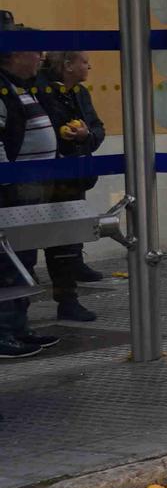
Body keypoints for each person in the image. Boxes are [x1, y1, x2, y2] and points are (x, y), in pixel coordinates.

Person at [0, 43, 62, 358]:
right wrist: (5, 183)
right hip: (12, 192)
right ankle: (4, 332)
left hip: (32, 190)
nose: (41, 56)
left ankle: (19, 327)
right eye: (33, 51)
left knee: (23, 261)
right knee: (7, 263)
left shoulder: (24, 88)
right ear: (11, 54)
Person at [39, 50, 105, 322]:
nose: (89, 66)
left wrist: (86, 135)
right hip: (45, 178)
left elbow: (97, 128)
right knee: (43, 240)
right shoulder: (41, 91)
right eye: (83, 61)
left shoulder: (79, 93)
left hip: (74, 176)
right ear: (67, 65)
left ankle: (69, 290)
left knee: (67, 236)